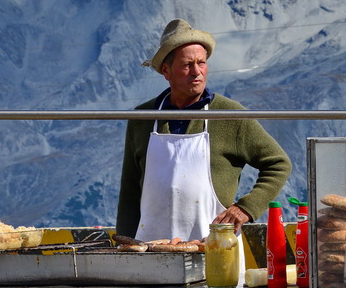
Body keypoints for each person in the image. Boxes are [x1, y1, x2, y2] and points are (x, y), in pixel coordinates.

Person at [116, 19, 291, 243]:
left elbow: (278, 163)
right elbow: (130, 190)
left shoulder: (229, 114)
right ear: (166, 71)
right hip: (150, 248)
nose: (196, 72)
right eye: (187, 64)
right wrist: (124, 241)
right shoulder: (143, 117)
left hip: (214, 248)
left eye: (202, 63)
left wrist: (246, 208)